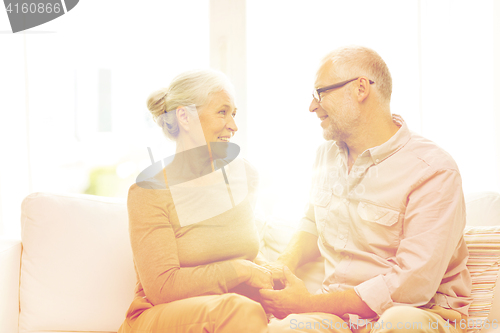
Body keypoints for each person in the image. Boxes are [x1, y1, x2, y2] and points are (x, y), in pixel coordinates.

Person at [260, 46, 472, 333]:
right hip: (336, 311)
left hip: (418, 312)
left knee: (397, 325)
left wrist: (305, 305)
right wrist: (283, 264)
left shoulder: (433, 170)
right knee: (283, 330)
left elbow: (412, 286)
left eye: (320, 93)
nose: (312, 106)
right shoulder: (326, 156)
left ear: (360, 89)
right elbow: (313, 222)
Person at [117, 69, 272, 333]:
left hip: (234, 316)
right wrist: (241, 271)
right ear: (185, 117)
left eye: (234, 114)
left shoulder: (245, 176)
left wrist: (273, 275)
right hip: (160, 317)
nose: (233, 126)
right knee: (239, 310)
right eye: (222, 112)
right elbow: (163, 288)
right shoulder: (149, 192)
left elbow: (244, 250)